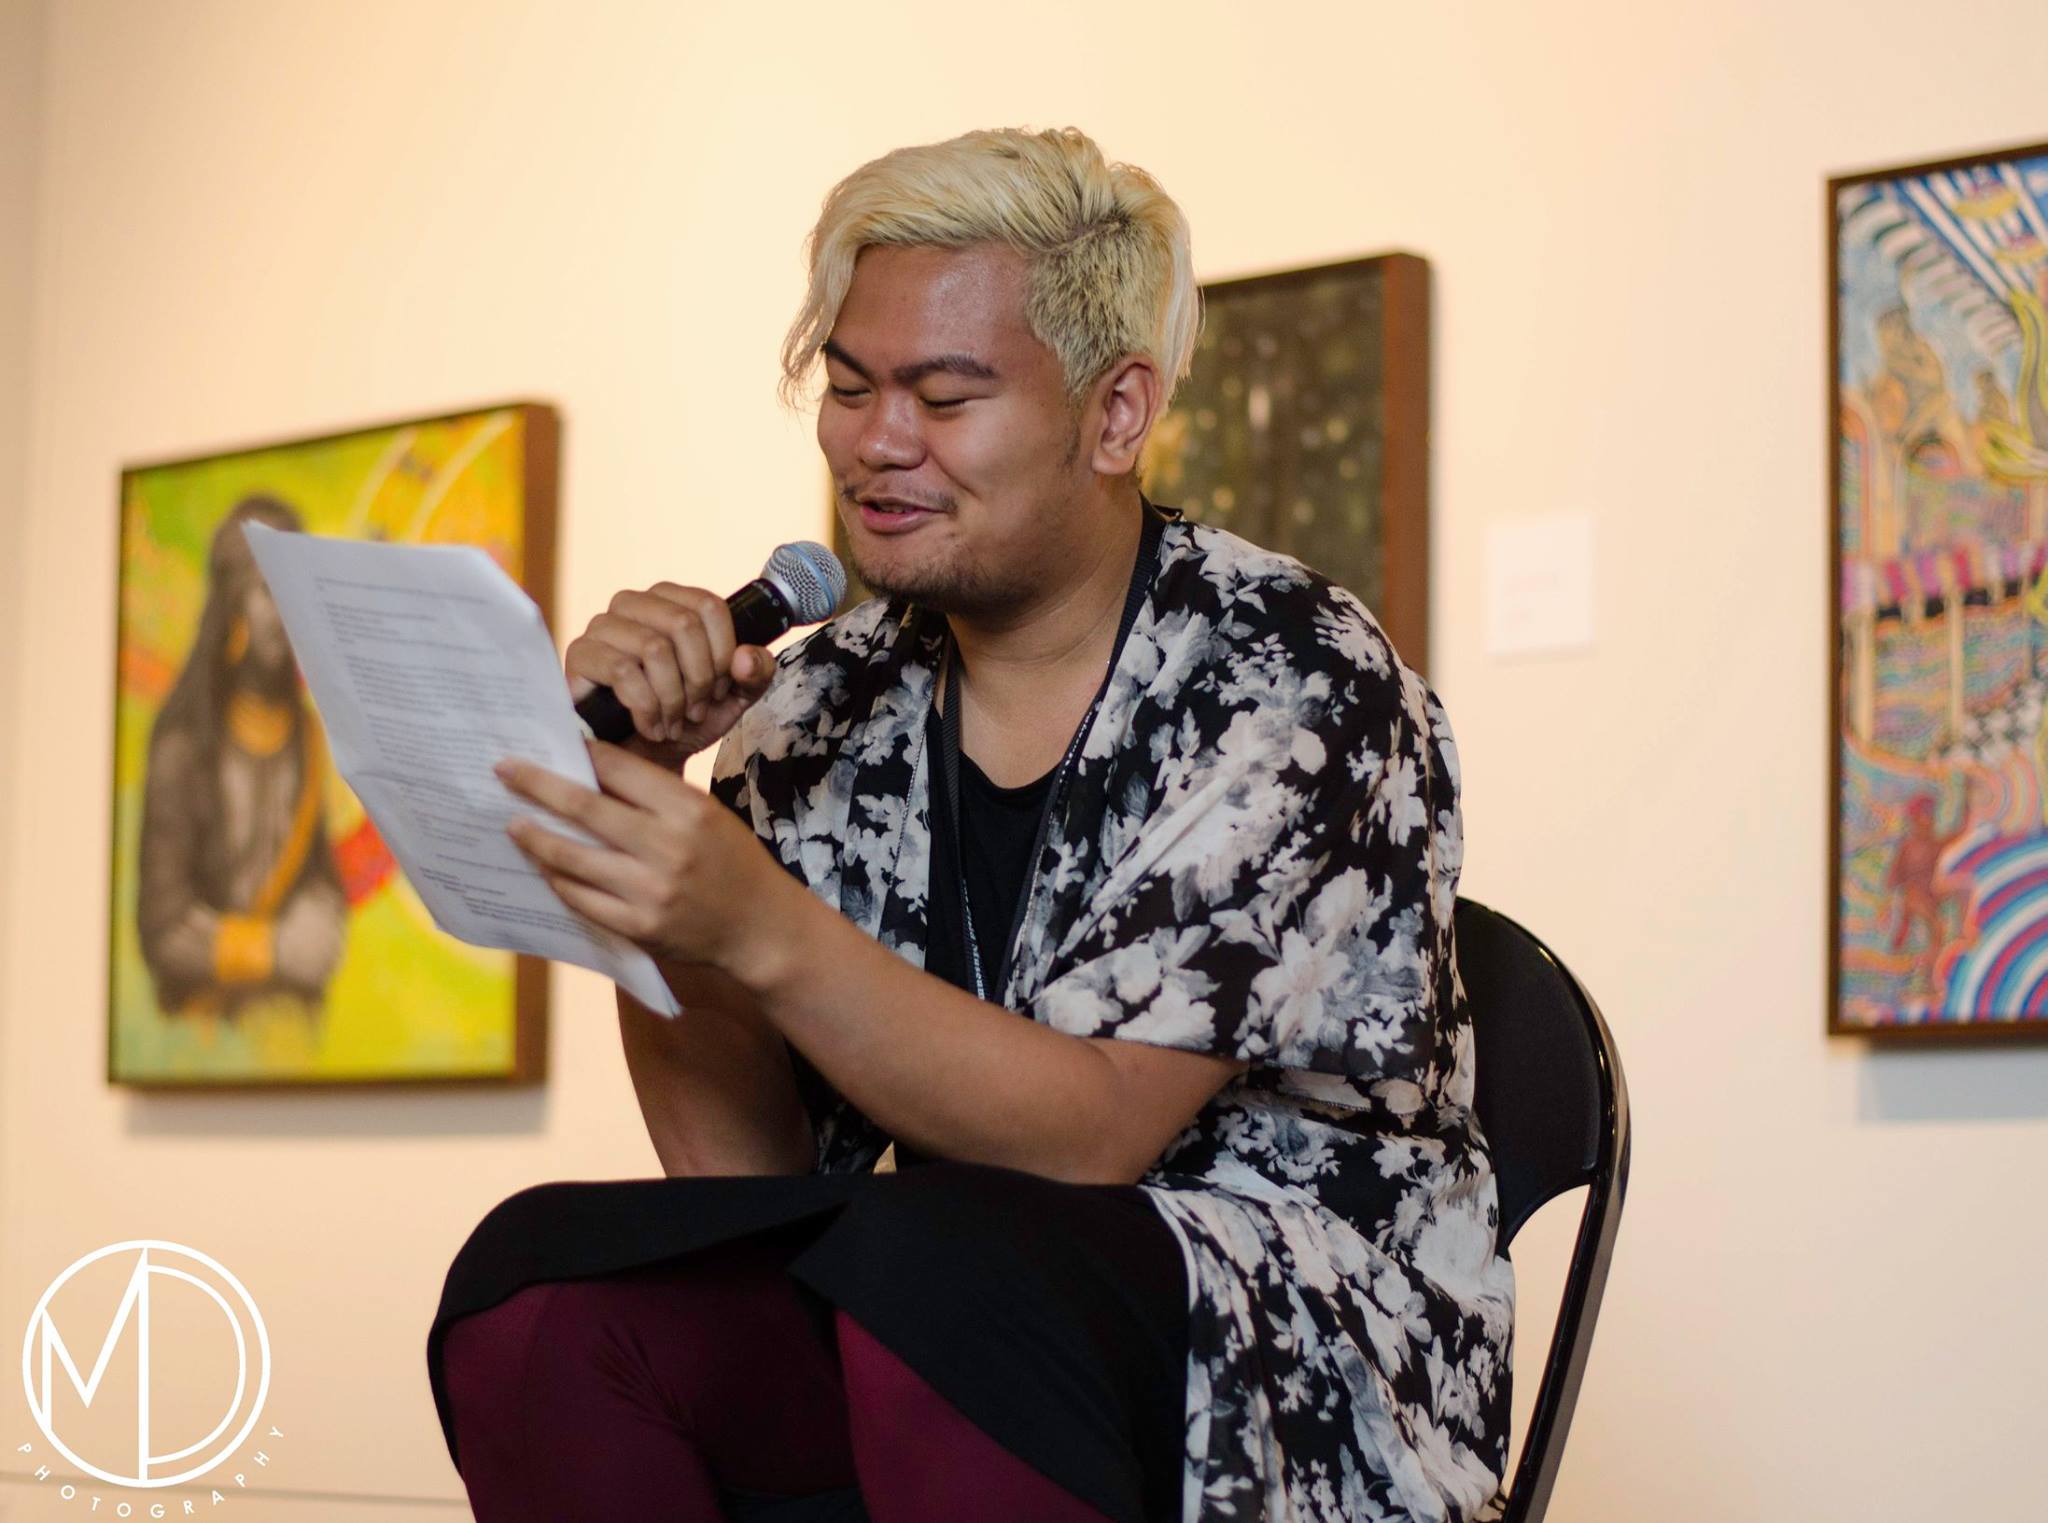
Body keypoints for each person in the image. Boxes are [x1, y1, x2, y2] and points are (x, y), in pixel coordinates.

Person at [426, 126, 1512, 1523]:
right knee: (551, 1288)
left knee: (944, 1268)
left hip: (1289, 1356)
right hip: (939, 1319)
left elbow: (1082, 1145)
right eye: (849, 385)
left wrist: (753, 916)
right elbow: (736, 1181)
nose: (877, 443)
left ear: (1116, 413)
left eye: (945, 395)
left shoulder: (1290, 676)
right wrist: (658, 822)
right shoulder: (825, 699)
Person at [137, 495, 346, 1024]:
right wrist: (271, 950)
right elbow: (161, 926)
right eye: (268, 592)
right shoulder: (184, 744)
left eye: (296, 594)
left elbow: (317, 870)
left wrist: (322, 914)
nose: (285, 615)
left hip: (289, 1028)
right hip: (200, 1027)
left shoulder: (307, 735)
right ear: (232, 602)